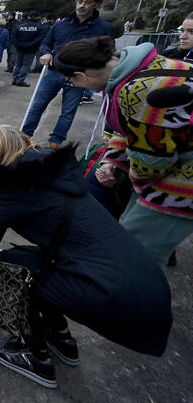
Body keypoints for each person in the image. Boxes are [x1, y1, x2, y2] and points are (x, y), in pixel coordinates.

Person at [0, 125, 171, 389]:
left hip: (116, 294)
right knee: (33, 263)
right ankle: (61, 339)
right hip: (141, 280)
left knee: (17, 268)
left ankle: (36, 357)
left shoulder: (19, 186)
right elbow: (9, 202)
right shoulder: (45, 171)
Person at [55, 35, 193, 267]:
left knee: (135, 254)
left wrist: (126, 179)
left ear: (81, 75)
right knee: (128, 233)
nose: (75, 86)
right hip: (175, 166)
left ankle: (137, 298)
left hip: (181, 182)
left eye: (72, 82)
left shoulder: (138, 90)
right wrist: (112, 161)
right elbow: (130, 130)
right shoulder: (136, 66)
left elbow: (153, 160)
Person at [19, 0, 114, 147]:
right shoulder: (61, 24)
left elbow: (108, 52)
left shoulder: (103, 27)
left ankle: (55, 142)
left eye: (88, 2)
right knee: (36, 106)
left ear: (96, 5)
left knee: (68, 113)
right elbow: (46, 43)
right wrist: (46, 53)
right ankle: (24, 138)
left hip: (79, 77)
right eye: (80, 1)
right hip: (53, 72)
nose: (82, 5)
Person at [11, 10, 47, 87]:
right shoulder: (40, 26)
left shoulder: (19, 26)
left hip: (20, 47)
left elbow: (13, 37)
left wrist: (19, 44)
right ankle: (20, 80)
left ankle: (15, 79)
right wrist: (30, 44)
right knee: (26, 65)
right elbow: (40, 38)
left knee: (18, 64)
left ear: (28, 16)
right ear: (37, 17)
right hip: (31, 48)